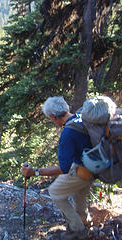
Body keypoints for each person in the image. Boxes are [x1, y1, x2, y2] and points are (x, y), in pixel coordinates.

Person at [22, 96, 92, 240]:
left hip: (82, 169)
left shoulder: (67, 133)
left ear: (53, 117)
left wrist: (35, 172)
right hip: (94, 167)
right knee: (79, 196)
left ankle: (78, 230)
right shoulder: (80, 117)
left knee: (55, 192)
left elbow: (64, 168)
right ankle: (85, 221)